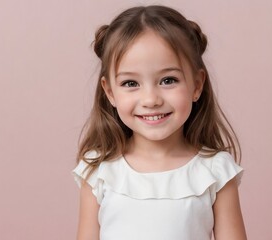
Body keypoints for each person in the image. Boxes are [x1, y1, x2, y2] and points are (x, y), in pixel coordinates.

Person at [73, 5, 247, 240]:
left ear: (197, 85)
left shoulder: (215, 171)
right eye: (130, 83)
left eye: (168, 80)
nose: (151, 100)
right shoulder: (99, 170)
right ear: (110, 92)